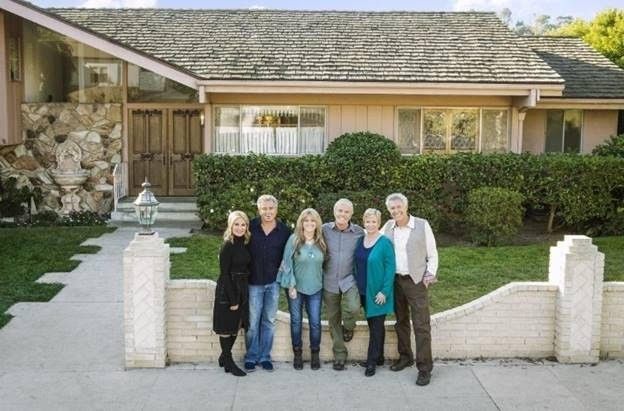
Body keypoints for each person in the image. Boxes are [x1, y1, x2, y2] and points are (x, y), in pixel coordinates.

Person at [382, 193, 438, 386]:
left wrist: (429, 274)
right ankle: (405, 357)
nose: (396, 211)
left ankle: (424, 368)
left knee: (421, 325)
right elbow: (374, 240)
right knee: (401, 321)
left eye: (399, 207)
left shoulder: (422, 225)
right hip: (395, 281)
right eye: (392, 209)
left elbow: (432, 253)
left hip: (416, 282)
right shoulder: (388, 226)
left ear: (406, 207)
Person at [244, 195, 291, 372]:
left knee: (269, 320)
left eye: (271, 208)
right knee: (253, 321)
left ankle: (265, 357)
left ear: (276, 210)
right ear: (259, 209)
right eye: (264, 208)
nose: (268, 212)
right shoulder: (250, 227)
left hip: (273, 283)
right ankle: (251, 356)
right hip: (253, 282)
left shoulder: (284, 231)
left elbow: (288, 256)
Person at [277, 208, 327, 370]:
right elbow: (286, 264)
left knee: (315, 323)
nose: (309, 223)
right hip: (296, 289)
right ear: (301, 223)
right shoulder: (294, 240)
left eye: (313, 221)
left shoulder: (322, 241)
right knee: (296, 322)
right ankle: (297, 354)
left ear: (317, 223)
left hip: (316, 289)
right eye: (306, 220)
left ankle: (314, 354)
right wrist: (291, 285)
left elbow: (325, 264)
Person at [322, 198, 364, 370]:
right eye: (340, 211)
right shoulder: (324, 229)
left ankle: (349, 326)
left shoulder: (359, 232)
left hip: (349, 279)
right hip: (329, 280)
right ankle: (339, 354)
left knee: (354, 307)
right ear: (334, 212)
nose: (342, 214)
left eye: (346, 212)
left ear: (351, 214)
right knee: (333, 319)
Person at [354, 208, 395, 377]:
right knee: (373, 325)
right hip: (363, 291)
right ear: (364, 222)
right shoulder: (361, 240)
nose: (370, 225)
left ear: (379, 223)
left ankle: (371, 362)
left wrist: (384, 292)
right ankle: (379, 357)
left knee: (376, 327)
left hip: (377, 293)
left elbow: (390, 268)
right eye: (368, 221)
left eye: (374, 222)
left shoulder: (384, 242)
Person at [213, 210, 252, 377]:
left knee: (236, 325)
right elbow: (224, 273)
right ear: (230, 225)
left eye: (243, 224)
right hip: (228, 288)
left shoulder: (245, 242)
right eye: (236, 224)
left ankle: (224, 357)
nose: (240, 227)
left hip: (242, 286)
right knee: (227, 327)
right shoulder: (227, 245)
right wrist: (233, 298)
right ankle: (228, 361)